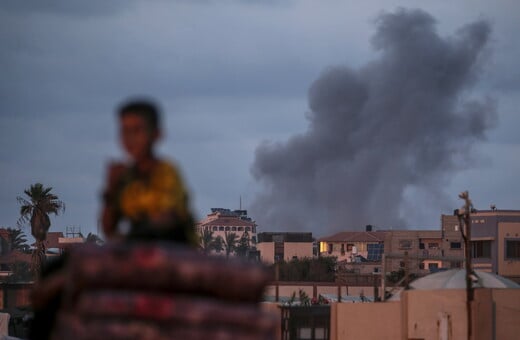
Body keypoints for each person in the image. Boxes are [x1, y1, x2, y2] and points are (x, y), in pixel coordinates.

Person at [101, 99, 197, 244]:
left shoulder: (167, 172)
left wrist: (129, 240)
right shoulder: (124, 178)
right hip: (139, 248)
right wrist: (110, 190)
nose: (130, 139)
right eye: (125, 131)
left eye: (137, 131)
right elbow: (109, 230)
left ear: (156, 134)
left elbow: (167, 220)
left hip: (173, 248)